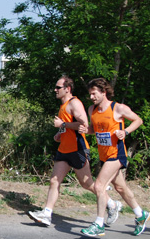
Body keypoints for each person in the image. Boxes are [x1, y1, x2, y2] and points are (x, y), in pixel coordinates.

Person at [27, 76, 121, 227]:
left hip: (77, 149)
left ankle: (112, 204)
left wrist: (62, 124)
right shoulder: (63, 105)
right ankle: (46, 213)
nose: (55, 90)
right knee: (54, 181)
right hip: (64, 148)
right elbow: (70, 126)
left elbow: (83, 124)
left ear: (67, 89)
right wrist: (61, 133)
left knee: (87, 183)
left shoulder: (74, 103)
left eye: (58, 88)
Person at [81, 78, 150, 238]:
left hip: (116, 155)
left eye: (94, 93)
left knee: (99, 186)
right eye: (90, 94)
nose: (91, 97)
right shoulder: (92, 110)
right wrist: (86, 130)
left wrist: (125, 132)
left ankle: (98, 224)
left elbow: (138, 120)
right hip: (104, 156)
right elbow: (95, 129)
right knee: (120, 188)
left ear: (103, 92)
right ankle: (141, 214)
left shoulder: (118, 108)